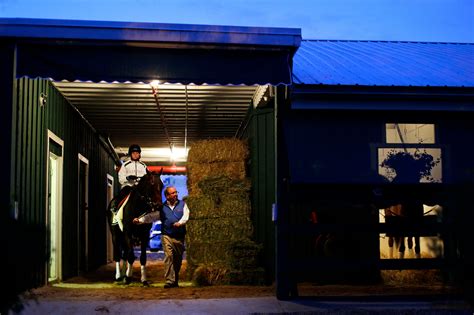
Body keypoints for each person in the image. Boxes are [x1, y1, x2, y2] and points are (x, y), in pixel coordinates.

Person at [133, 186, 189, 288]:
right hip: (166, 235)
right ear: (167, 196)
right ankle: (169, 281)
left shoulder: (183, 205)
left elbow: (186, 216)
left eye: (176, 192)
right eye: (172, 193)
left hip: (179, 236)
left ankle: (174, 279)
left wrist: (180, 223)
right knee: (169, 257)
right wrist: (140, 220)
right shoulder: (162, 208)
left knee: (177, 260)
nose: (175, 194)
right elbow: (151, 217)